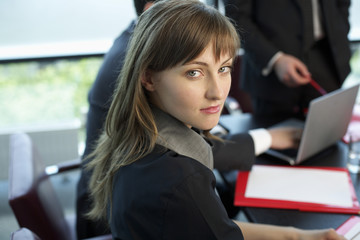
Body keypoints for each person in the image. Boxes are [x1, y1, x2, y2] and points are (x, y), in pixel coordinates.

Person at [85, 0, 345, 239]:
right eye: (194, 73)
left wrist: (298, 236)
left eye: (223, 69)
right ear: (148, 78)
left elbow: (215, 226)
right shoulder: (183, 181)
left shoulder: (141, 131)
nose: (218, 92)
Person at [224, 0, 351, 119]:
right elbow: (236, 15)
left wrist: (340, 29)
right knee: (277, 138)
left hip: (328, 60)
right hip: (272, 74)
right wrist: (275, 59)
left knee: (328, 135)